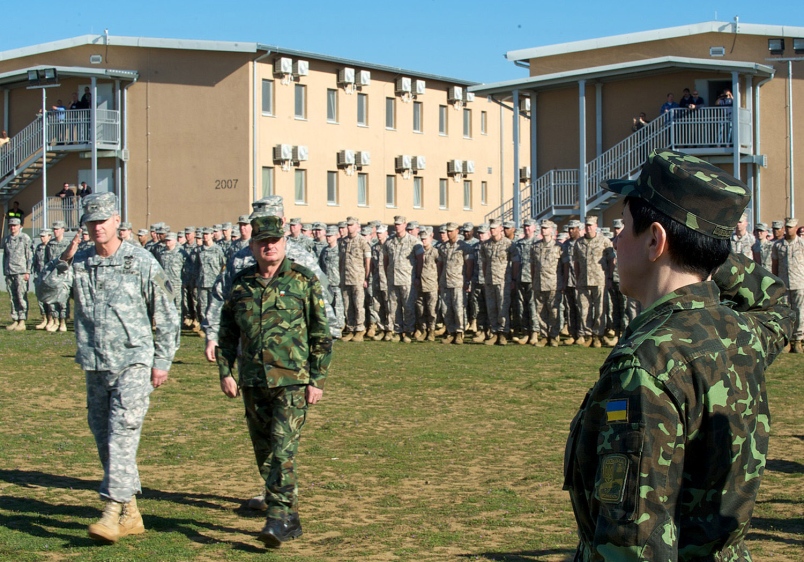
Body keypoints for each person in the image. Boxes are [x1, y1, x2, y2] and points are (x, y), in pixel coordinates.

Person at [564, 148, 793, 561]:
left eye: (624, 226)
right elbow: (775, 303)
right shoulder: (739, 333)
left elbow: (633, 544)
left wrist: (699, 240)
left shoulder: (645, 366)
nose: (616, 239)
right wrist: (705, 243)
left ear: (654, 240)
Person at [38, 192, 180, 544]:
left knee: (122, 434)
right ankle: (131, 512)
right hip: (95, 363)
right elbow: (47, 295)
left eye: (103, 220)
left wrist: (162, 361)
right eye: (91, 222)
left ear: (117, 220)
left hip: (133, 362)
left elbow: (166, 311)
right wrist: (64, 259)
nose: (97, 227)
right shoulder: (79, 262)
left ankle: (111, 511)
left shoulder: (140, 260)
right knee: (104, 438)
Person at [216, 214, 332, 548]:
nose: (269, 246)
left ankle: (278, 516)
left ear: (284, 243)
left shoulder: (303, 280)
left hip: (292, 380)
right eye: (262, 242)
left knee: (283, 448)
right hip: (253, 380)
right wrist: (225, 372)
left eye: (275, 240)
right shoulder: (241, 284)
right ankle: (290, 518)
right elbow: (227, 333)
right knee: (264, 450)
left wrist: (317, 379)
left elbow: (320, 333)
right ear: (252, 247)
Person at [771, 217, 804, 353]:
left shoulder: (802, 244)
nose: (789, 230)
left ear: (796, 228)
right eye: (787, 227)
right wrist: (776, 281)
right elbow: (775, 264)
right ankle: (787, 340)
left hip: (799, 283)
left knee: (800, 312)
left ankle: (798, 340)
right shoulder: (778, 245)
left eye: (791, 227)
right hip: (784, 283)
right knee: (784, 313)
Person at [339, 217, 372, 342]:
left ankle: (360, 329)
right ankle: (351, 329)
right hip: (345, 278)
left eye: (351, 225)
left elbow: (367, 261)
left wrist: (366, 278)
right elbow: (341, 261)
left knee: (358, 305)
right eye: (348, 225)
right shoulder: (343, 242)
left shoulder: (362, 241)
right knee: (347, 305)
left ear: (357, 226)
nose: (349, 227)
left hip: (358, 278)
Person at [2, 217, 32, 330]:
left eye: (14, 225)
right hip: (10, 272)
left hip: (21, 271)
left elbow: (29, 255)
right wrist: (5, 271)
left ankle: (22, 321)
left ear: (20, 226)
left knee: (21, 296)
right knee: (12, 296)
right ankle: (15, 319)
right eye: (11, 226)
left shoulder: (24, 238)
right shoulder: (7, 239)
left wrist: (28, 271)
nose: (12, 227)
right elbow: (5, 256)